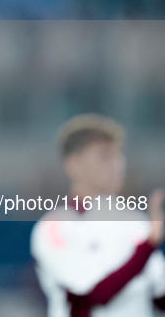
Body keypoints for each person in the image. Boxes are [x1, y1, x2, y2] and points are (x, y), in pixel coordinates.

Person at [31, 114, 165, 317]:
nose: (117, 164)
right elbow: (95, 294)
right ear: (74, 164)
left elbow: (159, 293)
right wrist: (148, 245)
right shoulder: (54, 227)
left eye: (119, 155)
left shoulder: (136, 221)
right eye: (105, 156)